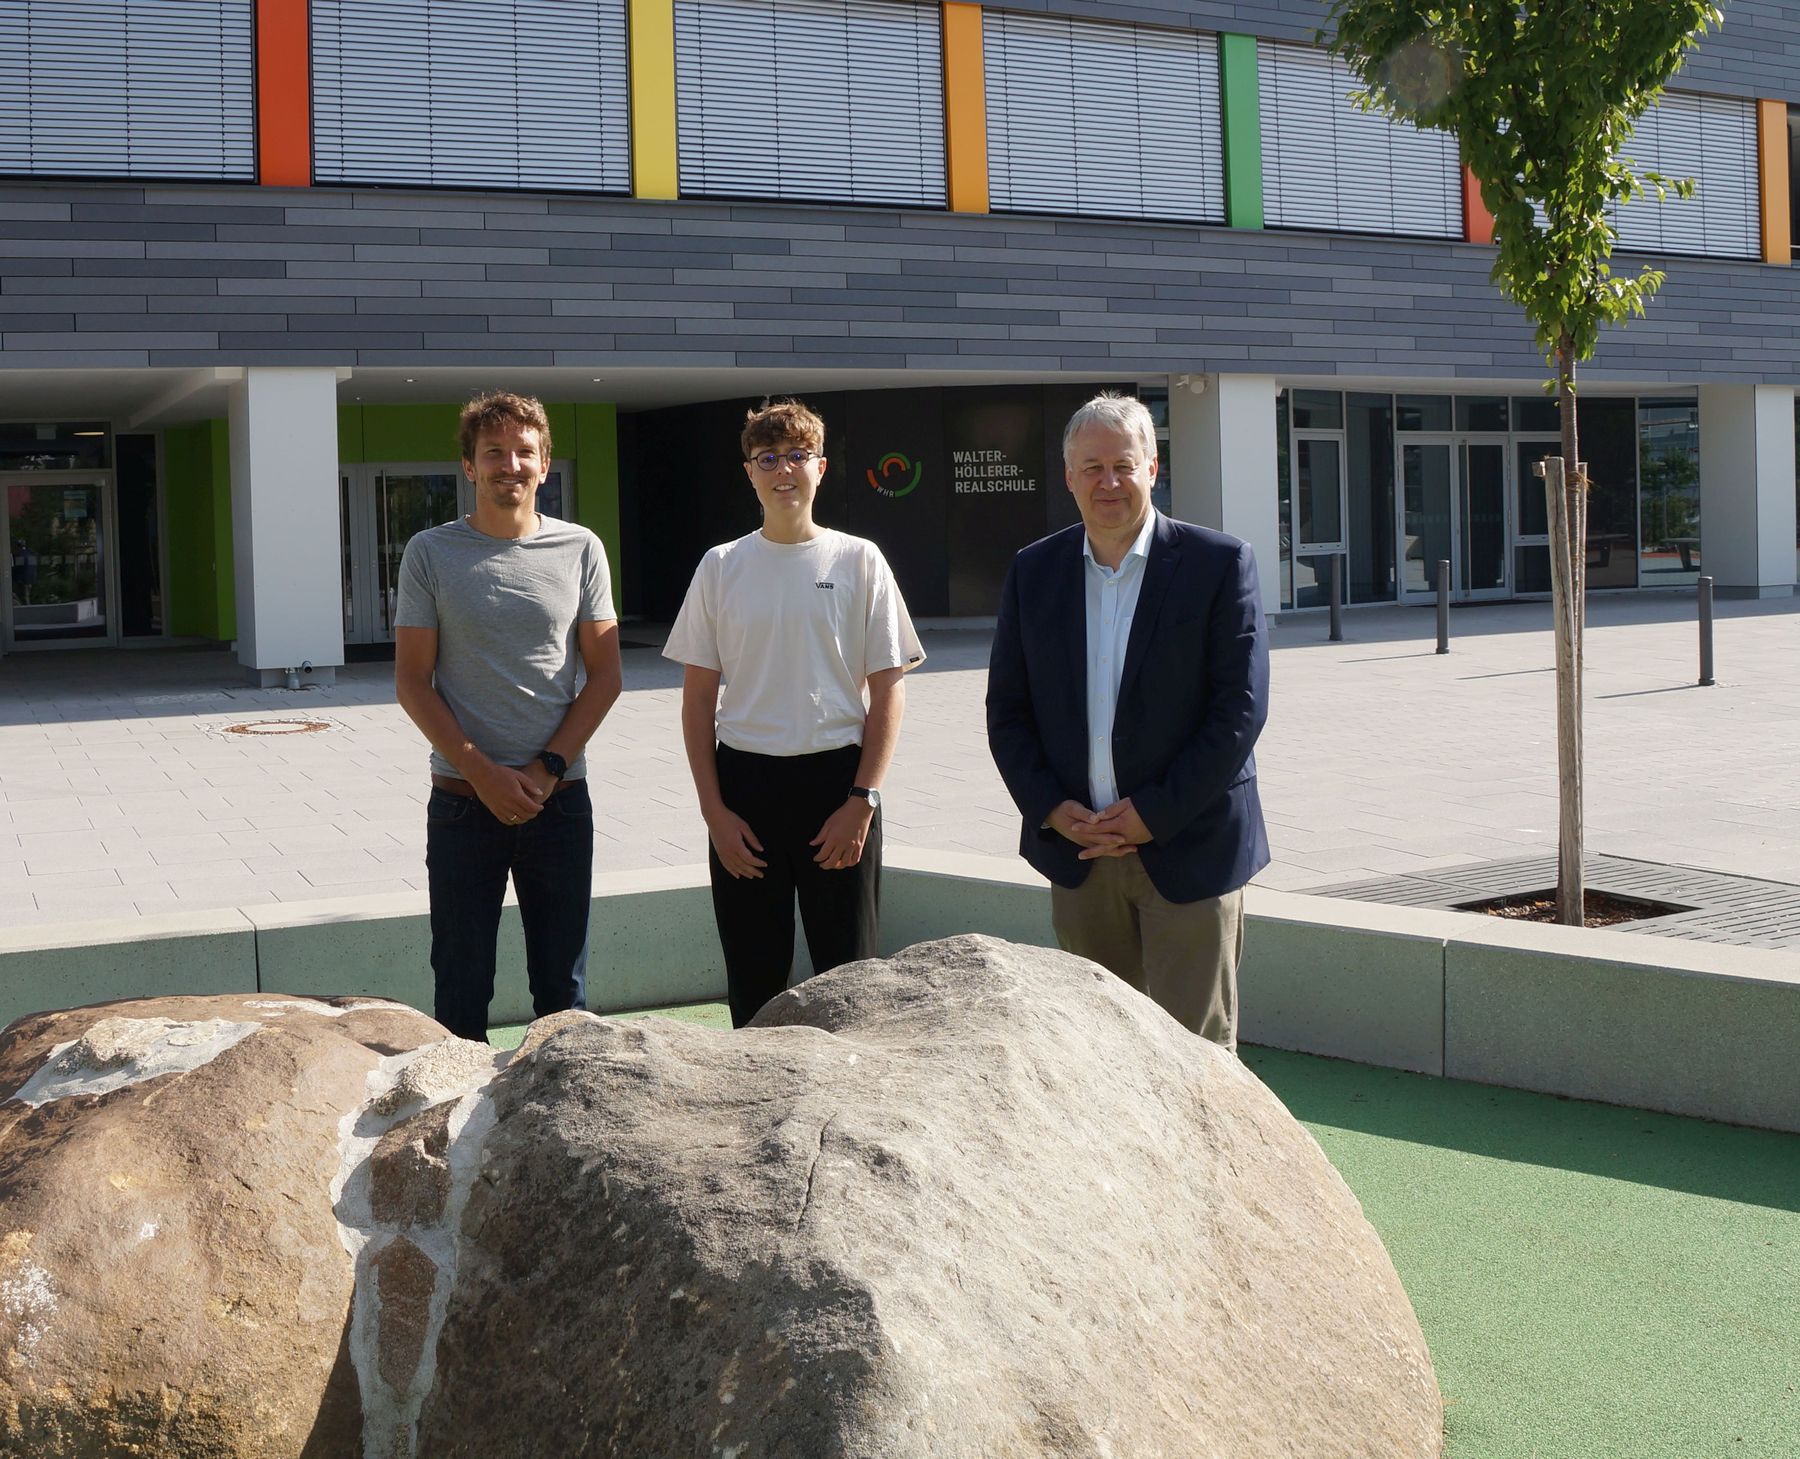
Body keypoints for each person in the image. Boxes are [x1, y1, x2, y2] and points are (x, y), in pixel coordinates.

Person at [986, 393, 1269, 1051]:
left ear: (1153, 468)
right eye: (1092, 467)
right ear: (1068, 476)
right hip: (1080, 851)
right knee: (1098, 1052)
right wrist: (1051, 807)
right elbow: (1008, 710)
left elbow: (1240, 711)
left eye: (1123, 464)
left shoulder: (1219, 565)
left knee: (1195, 1056)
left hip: (1189, 849)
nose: (1108, 482)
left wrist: (1153, 813)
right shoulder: (1034, 572)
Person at [664, 399, 924, 1028]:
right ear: (749, 472)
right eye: (769, 458)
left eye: (798, 456)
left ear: (822, 467)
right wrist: (715, 813)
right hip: (745, 789)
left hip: (839, 786)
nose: (785, 470)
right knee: (754, 979)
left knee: (851, 978)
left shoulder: (859, 560)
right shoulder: (721, 567)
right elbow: (698, 700)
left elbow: (889, 690)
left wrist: (863, 800)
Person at [394, 391, 622, 1042]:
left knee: (564, 995)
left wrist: (547, 769)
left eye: (525, 451)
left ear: (545, 465)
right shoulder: (431, 554)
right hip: (464, 805)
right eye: (494, 451)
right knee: (461, 992)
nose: (510, 464)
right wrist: (482, 770)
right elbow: (413, 679)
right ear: (468, 465)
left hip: (561, 804)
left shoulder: (581, 550)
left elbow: (605, 675)